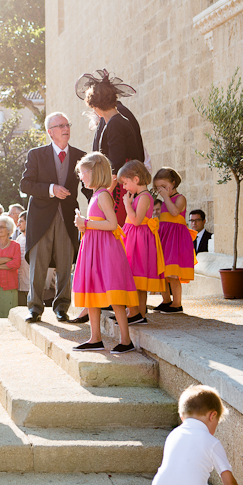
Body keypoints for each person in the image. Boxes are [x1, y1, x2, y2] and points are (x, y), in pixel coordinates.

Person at [19, 112, 88, 324]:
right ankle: (35, 308)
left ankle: (62, 307)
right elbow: (26, 185)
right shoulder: (36, 155)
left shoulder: (80, 155)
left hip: (68, 217)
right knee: (38, 263)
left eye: (67, 124)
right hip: (41, 218)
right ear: (50, 132)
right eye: (60, 126)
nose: (65, 128)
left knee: (65, 263)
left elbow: (89, 187)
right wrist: (51, 189)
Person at [72, 152, 139, 354]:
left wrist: (86, 223)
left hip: (105, 250)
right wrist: (84, 225)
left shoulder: (102, 195)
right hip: (94, 248)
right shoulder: (95, 195)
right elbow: (99, 223)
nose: (81, 176)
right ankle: (95, 338)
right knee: (93, 292)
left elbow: (112, 224)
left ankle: (126, 340)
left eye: (83, 172)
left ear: (94, 171)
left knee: (114, 293)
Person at [79, 70, 145, 227]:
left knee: (117, 231)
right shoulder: (118, 121)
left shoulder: (115, 124)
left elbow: (116, 164)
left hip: (119, 189)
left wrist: (105, 195)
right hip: (123, 184)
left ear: (96, 106)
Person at [152, 385, 238, 485]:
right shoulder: (212, 442)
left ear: (182, 417)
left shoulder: (173, 435)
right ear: (213, 416)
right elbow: (228, 481)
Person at [118, 160, 165, 324]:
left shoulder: (144, 197)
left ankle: (137, 312)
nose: (124, 187)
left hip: (139, 241)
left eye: (125, 182)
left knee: (135, 275)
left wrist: (126, 205)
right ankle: (138, 313)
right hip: (134, 238)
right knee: (136, 277)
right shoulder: (140, 196)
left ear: (136, 179)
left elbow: (137, 220)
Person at [153, 168, 196, 314]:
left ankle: (177, 303)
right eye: (159, 188)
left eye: (165, 187)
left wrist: (165, 197)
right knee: (162, 270)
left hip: (176, 239)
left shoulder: (180, 198)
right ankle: (166, 300)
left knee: (172, 272)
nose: (162, 190)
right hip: (164, 236)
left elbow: (174, 212)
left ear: (173, 182)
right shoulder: (164, 200)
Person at [14, 212, 31, 306]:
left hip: (31, 284)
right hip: (20, 283)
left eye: (21, 221)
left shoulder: (35, 238)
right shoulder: (18, 238)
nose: (18, 224)